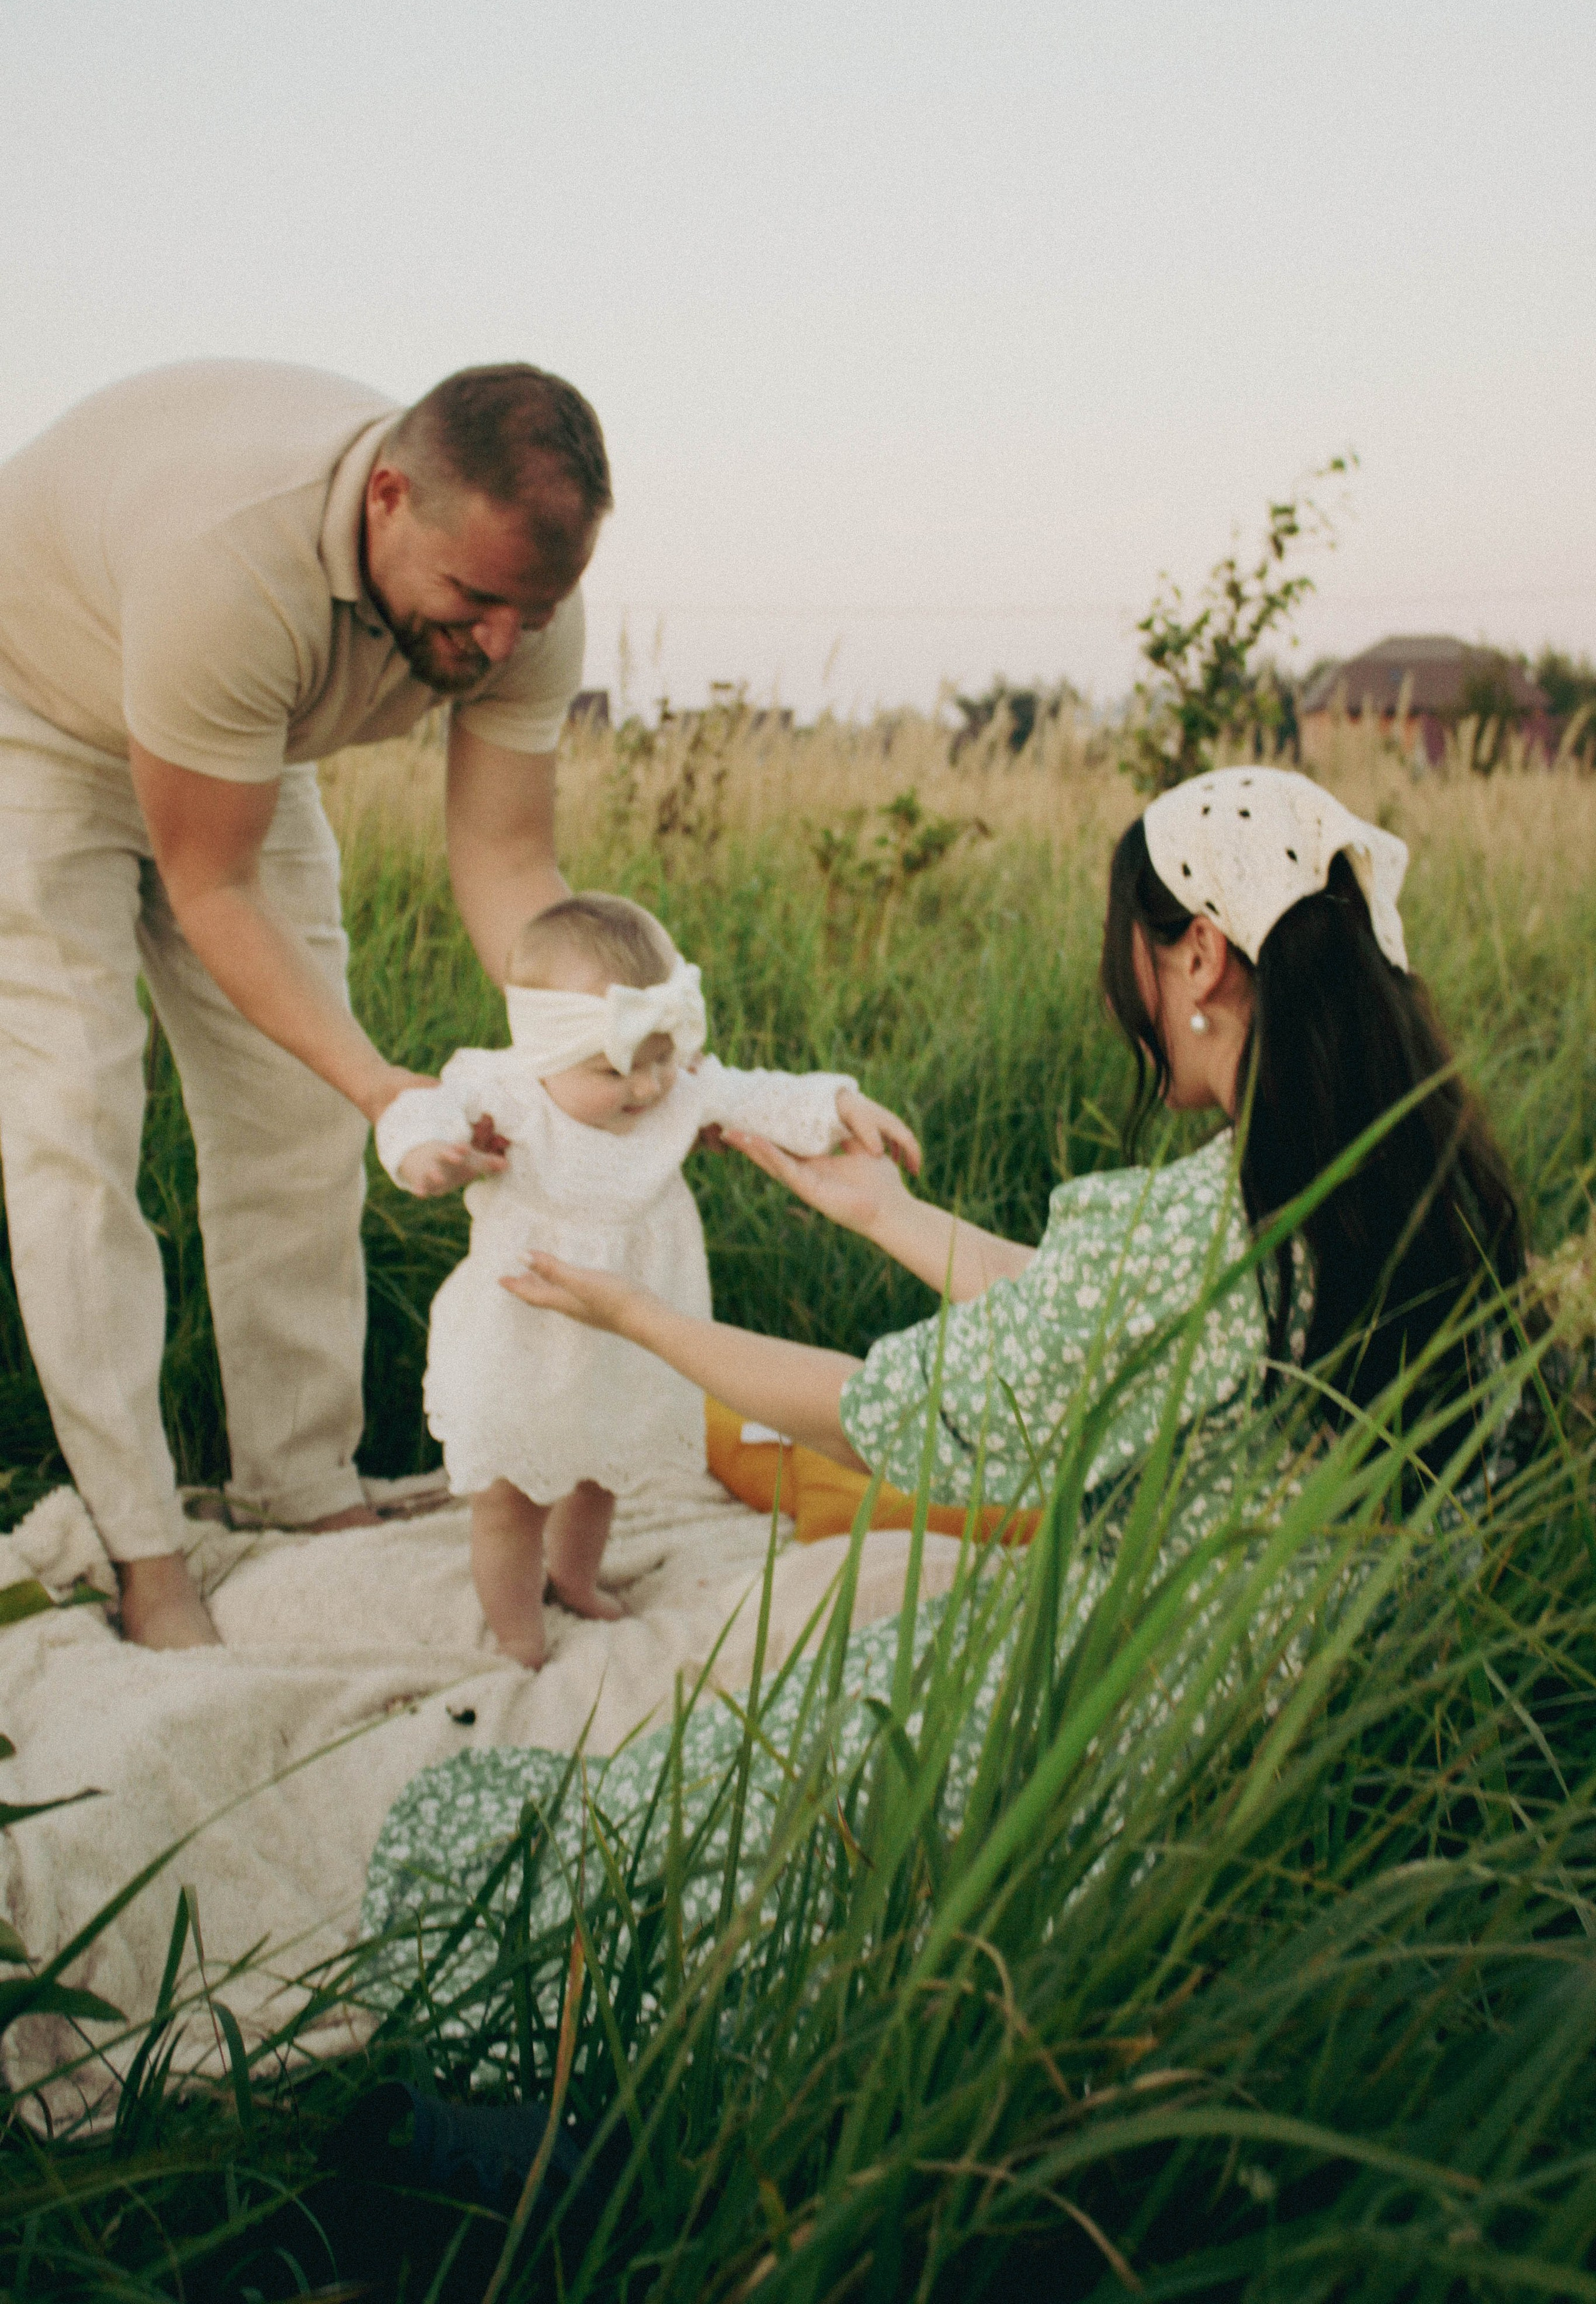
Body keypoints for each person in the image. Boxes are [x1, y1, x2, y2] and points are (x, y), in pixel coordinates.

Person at [359, 766, 1529, 1983]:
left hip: (1144, 1706)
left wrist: (634, 1316)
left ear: (1195, 957)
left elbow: (876, 1415)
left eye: (1124, 945)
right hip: (1308, 1726)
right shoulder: (1393, 1177)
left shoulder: (1221, 1219)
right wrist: (888, 1219)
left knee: (679, 1843)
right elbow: (1100, 1314)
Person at [0, 357, 611, 1649]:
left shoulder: (521, 603)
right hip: (34, 711)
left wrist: (598, 1030)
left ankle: (300, 1485)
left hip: (234, 740)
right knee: (73, 1120)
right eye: (477, 599)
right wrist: (389, 1087)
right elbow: (209, 887)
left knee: (293, 1116)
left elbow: (508, 868)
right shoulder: (232, 563)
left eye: (536, 608)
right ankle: (142, 1544)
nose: (503, 640)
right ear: (388, 497)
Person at [372, 892, 918, 1667]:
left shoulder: (677, 1089)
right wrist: (426, 1155)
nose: (647, 1088)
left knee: (604, 1470)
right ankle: (517, 1633)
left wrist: (839, 1104)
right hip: (523, 1337)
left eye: (663, 1059)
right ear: (542, 1051)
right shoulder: (508, 1093)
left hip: (629, 1337)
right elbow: (421, 1108)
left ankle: (574, 1578)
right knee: (509, 1499)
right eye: (617, 1070)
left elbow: (760, 1093)